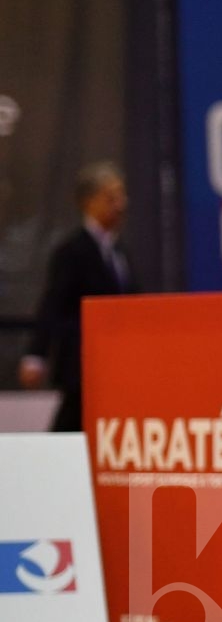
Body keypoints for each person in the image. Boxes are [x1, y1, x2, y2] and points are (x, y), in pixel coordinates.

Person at [18, 162, 136, 433]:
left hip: (117, 362)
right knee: (69, 425)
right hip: (81, 364)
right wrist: (36, 355)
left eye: (121, 196)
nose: (121, 204)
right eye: (111, 198)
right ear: (89, 202)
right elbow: (52, 304)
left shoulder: (119, 252)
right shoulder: (72, 251)